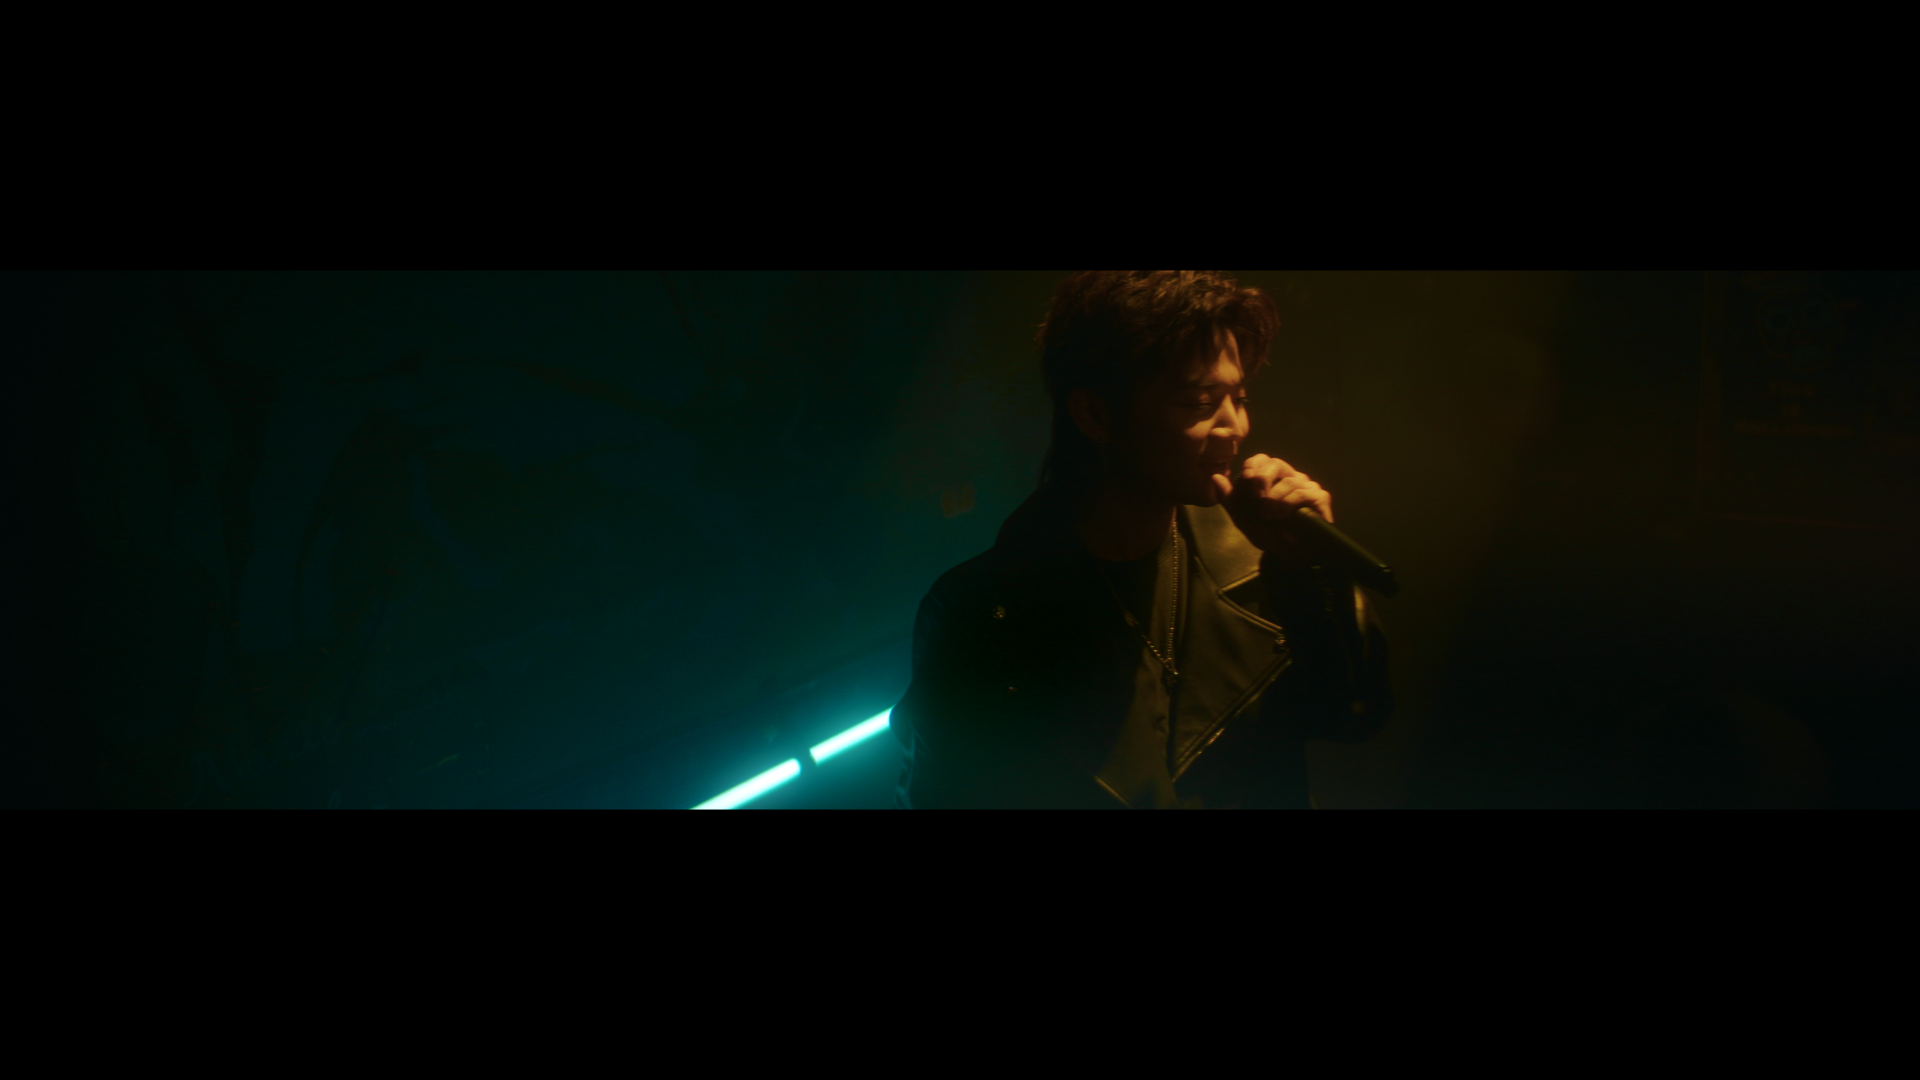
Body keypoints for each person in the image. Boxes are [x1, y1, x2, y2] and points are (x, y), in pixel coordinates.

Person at [891, 271, 1393, 809]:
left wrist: (1308, 575)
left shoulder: (1262, 557)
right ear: (1094, 414)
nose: (1235, 427)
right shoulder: (983, 614)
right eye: (1198, 402)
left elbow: (1351, 717)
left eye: (1240, 397)